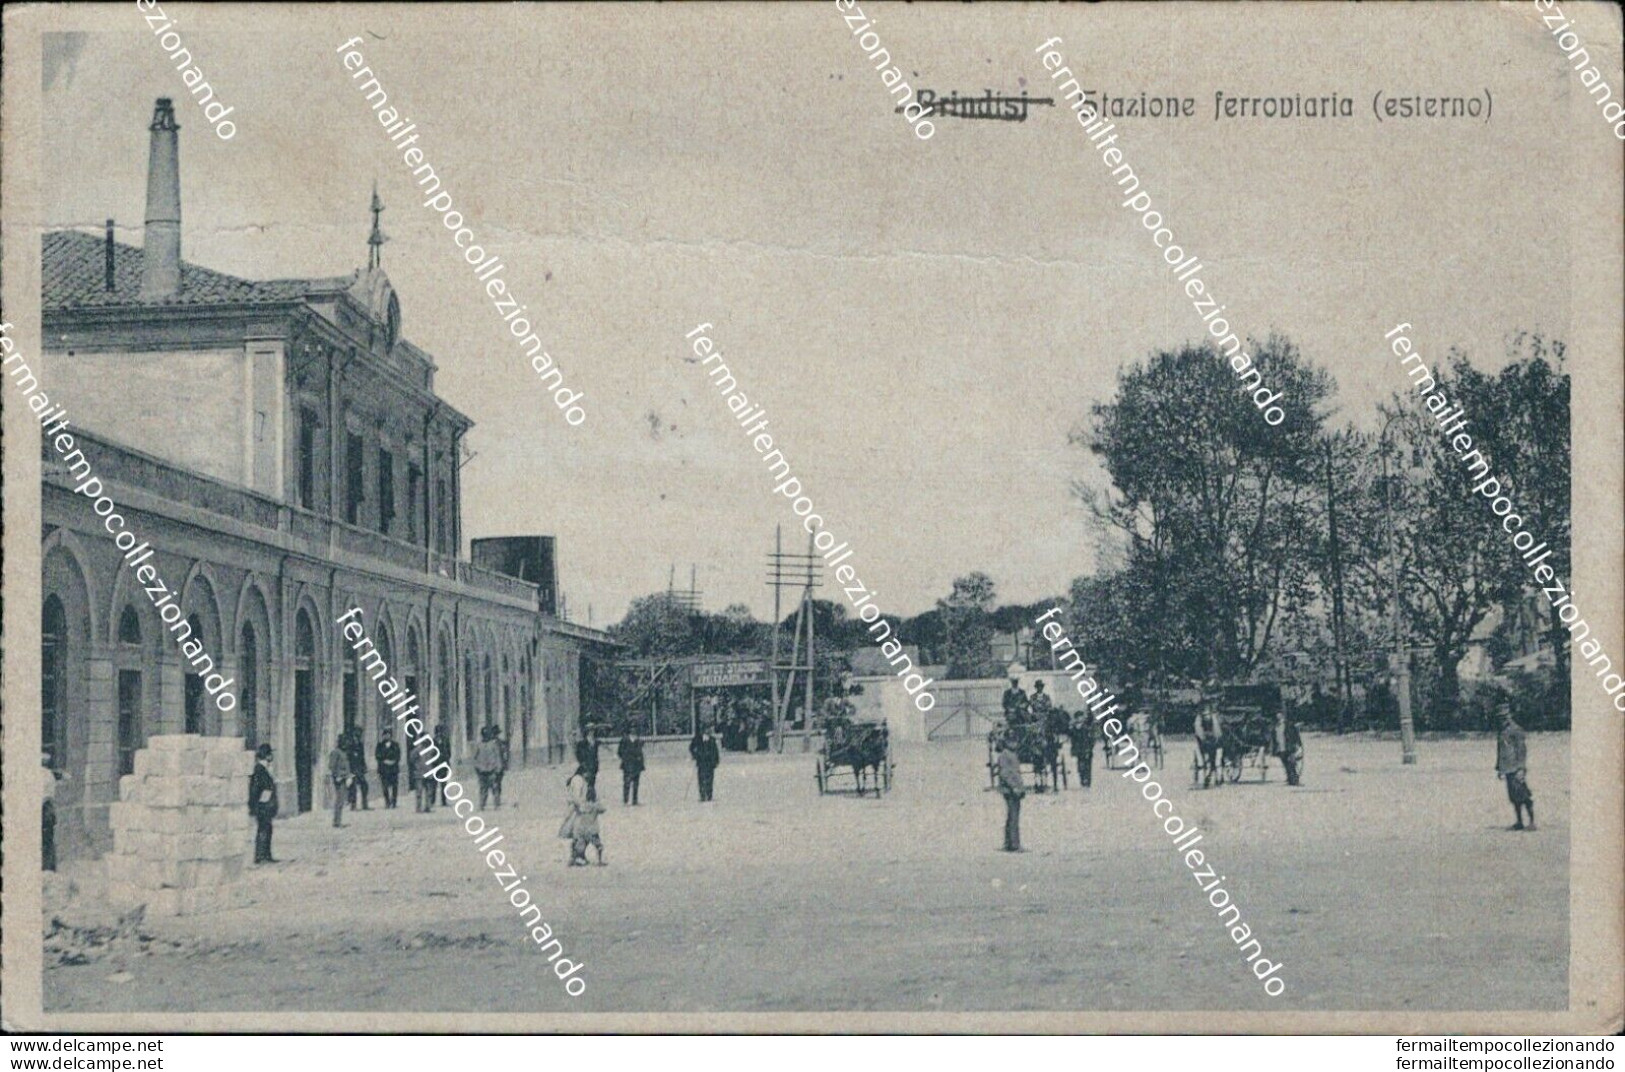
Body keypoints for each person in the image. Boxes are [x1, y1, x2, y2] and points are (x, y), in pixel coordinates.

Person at [1496, 705, 1535, 831]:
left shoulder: (1516, 730)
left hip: (1516, 768)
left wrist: (1521, 768)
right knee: (1514, 798)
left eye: (1505, 716)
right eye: (1500, 717)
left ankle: (1532, 822)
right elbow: (1501, 751)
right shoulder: (1502, 731)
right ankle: (1519, 822)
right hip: (1508, 768)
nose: (1502, 719)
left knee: (1524, 796)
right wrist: (1499, 768)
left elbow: (1521, 750)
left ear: (1510, 715)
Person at [560, 765, 606, 866]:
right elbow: (577, 797)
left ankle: (576, 857)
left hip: (581, 825)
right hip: (590, 827)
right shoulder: (579, 781)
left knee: (578, 841)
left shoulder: (577, 780)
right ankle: (592, 859)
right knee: (595, 844)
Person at [995, 733, 1026, 851]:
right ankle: (1014, 844)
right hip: (1011, 790)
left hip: (1013, 789)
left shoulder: (1010, 754)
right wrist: (1014, 787)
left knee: (1011, 816)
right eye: (1012, 742)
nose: (1015, 744)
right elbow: (1005, 773)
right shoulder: (1005, 755)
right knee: (1014, 817)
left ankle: (1009, 843)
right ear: (1007, 742)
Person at [248, 743, 279, 864]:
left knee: (267, 829)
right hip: (262, 805)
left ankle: (267, 855)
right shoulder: (259, 769)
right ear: (267, 755)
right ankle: (260, 856)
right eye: (270, 754)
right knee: (263, 830)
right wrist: (257, 804)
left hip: (266, 805)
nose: (272, 757)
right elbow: (256, 789)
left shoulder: (265, 768)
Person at [474, 724, 504, 810]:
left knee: (495, 788)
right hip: (483, 771)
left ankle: (496, 805)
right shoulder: (479, 745)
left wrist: (498, 768)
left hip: (492, 770)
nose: (485, 737)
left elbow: (497, 756)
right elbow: (475, 757)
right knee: (483, 789)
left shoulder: (493, 744)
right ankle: (482, 805)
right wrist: (477, 768)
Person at [40, 753, 61, 873]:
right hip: (48, 809)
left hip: (44, 809)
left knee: (45, 840)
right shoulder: (50, 775)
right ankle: (49, 868)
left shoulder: (43, 775)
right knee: (48, 840)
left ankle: (47, 868)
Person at [690, 725, 721, 802]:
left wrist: (716, 761)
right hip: (701, 762)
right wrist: (695, 754)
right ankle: (702, 795)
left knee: (710, 779)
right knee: (701, 779)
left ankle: (709, 795)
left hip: (710, 763)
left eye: (710, 730)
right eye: (707, 730)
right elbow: (691, 747)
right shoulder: (697, 739)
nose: (709, 731)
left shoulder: (712, 740)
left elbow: (715, 751)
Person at [1272, 710, 1303, 786]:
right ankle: (1290, 779)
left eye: (1280, 715)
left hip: (1288, 747)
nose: (1278, 716)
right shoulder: (1276, 726)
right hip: (1281, 748)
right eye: (1277, 715)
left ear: (1282, 716)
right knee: (1285, 764)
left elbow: (1295, 735)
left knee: (1291, 763)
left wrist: (1298, 744)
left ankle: (1295, 780)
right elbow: (1274, 737)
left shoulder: (1289, 725)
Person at [1068, 706, 1097, 788]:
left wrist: (1091, 746)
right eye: (1078, 718)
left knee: (1088, 766)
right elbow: (1071, 737)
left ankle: (1087, 781)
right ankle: (1082, 779)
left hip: (1087, 749)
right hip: (1078, 749)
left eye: (1081, 717)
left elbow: (1091, 738)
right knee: (1080, 766)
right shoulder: (1073, 728)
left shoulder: (1086, 728)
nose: (1080, 719)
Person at [343, 726, 369, 811]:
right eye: (358, 733)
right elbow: (347, 757)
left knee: (364, 785)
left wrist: (364, 766)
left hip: (359, 769)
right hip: (352, 768)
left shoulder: (360, 744)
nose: (359, 735)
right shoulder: (350, 744)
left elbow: (362, 757)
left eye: (360, 734)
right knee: (353, 787)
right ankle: (353, 805)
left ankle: (364, 804)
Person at [375, 728, 401, 809]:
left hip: (393, 769)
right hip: (384, 769)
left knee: (394, 786)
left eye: (388, 734)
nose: (387, 736)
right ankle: (387, 801)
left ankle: (394, 801)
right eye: (385, 734)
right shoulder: (380, 745)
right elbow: (377, 756)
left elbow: (398, 755)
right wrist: (384, 761)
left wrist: (393, 761)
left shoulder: (395, 745)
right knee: (385, 786)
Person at [327, 742, 351, 828]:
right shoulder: (335, 752)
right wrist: (336, 775)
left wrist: (348, 775)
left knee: (341, 800)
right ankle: (337, 821)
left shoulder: (343, 752)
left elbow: (346, 766)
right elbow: (331, 766)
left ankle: (338, 820)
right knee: (339, 800)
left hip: (344, 777)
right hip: (339, 778)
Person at [618, 730, 646, 805]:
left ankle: (635, 800)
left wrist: (641, 762)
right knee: (627, 782)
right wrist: (625, 759)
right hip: (628, 764)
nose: (634, 732)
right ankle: (625, 800)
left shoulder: (639, 740)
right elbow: (620, 752)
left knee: (636, 783)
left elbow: (640, 753)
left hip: (637, 764)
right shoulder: (624, 740)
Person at [573, 727, 601, 802]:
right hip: (586, 765)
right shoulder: (582, 743)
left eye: (593, 731)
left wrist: (597, 764)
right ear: (587, 733)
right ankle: (590, 797)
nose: (592, 733)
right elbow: (578, 754)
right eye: (590, 731)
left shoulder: (595, 742)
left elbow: (596, 754)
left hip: (594, 765)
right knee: (588, 780)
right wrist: (582, 762)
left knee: (592, 781)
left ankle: (590, 796)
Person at [432, 720, 452, 806]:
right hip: (435, 765)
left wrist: (446, 760)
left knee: (444, 784)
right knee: (434, 784)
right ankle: (432, 801)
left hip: (443, 765)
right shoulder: (432, 742)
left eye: (441, 732)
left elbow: (449, 752)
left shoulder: (445, 741)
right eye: (438, 732)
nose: (439, 734)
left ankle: (443, 801)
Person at [494, 727, 511, 807]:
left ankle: (496, 799)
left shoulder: (490, 742)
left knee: (495, 783)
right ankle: (497, 799)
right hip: (499, 766)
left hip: (492, 766)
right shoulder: (500, 743)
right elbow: (504, 754)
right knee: (498, 783)